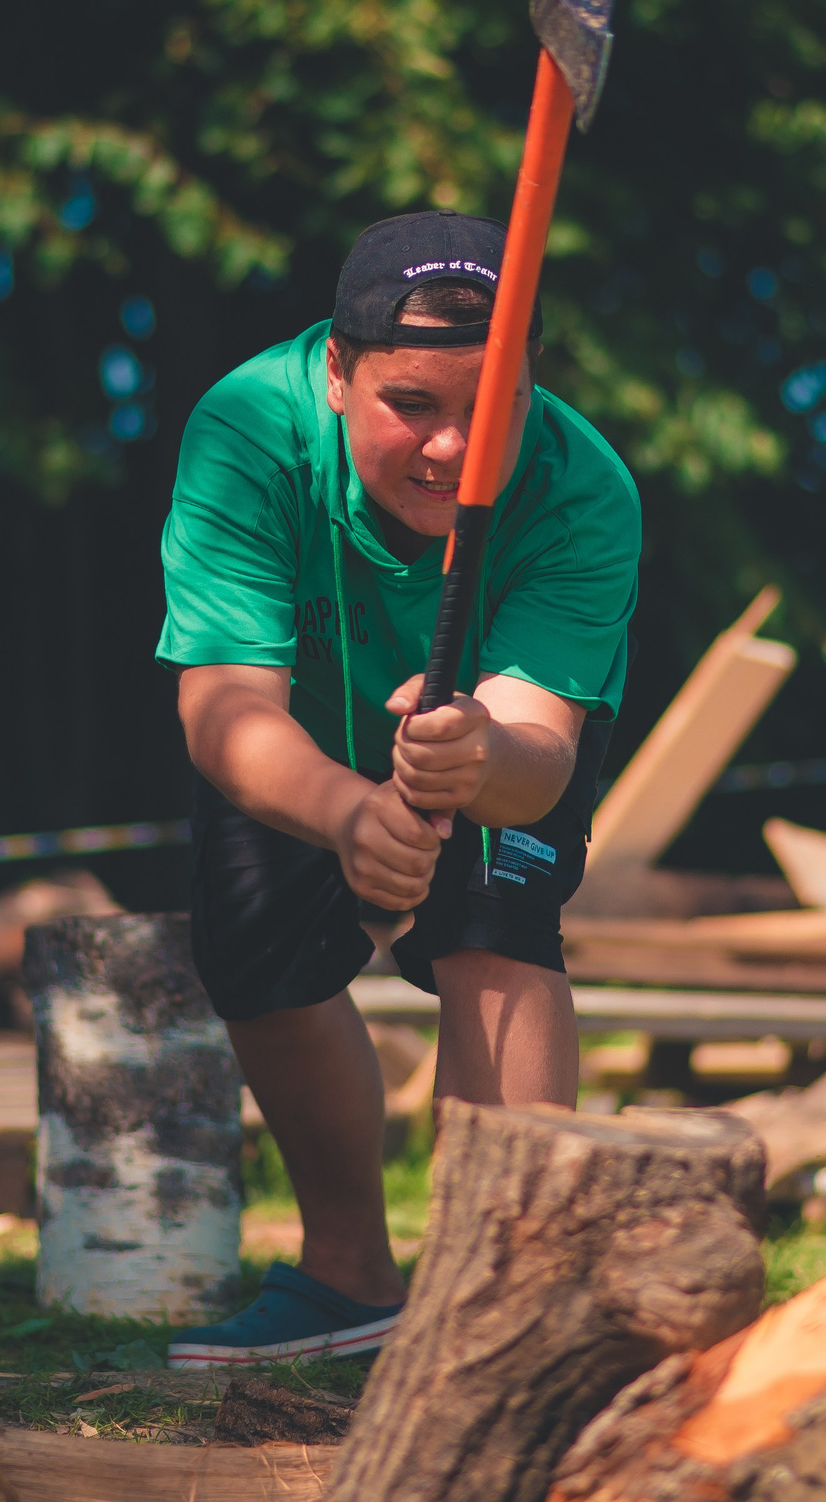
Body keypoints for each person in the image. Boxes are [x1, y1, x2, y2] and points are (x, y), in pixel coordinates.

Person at [153, 210, 640, 1367]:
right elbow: (219, 708)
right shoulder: (247, 429)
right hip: (293, 737)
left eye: (489, 413)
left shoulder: (584, 490)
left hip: (492, 739)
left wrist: (477, 753)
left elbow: (538, 754)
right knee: (255, 956)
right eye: (411, 406)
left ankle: (504, 1315)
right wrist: (345, 812)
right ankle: (348, 1282)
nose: (450, 451)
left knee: (498, 928)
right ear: (334, 372)